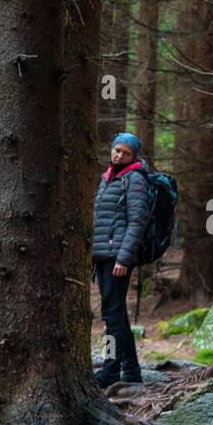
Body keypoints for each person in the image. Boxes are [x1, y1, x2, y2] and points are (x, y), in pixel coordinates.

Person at [92, 132, 151, 386]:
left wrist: (124, 259)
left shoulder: (134, 179)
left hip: (117, 258)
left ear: (133, 157)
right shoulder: (108, 178)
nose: (119, 155)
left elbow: (137, 222)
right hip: (104, 255)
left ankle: (111, 369)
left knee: (112, 316)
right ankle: (131, 370)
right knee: (116, 314)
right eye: (117, 150)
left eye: (126, 153)